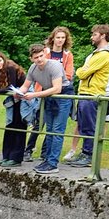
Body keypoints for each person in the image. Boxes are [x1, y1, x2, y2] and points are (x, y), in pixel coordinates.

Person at [67, 24, 109, 168]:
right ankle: (85, 153)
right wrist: (83, 70)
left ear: (103, 35)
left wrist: (82, 70)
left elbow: (81, 73)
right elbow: (84, 71)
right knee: (83, 125)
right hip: (85, 93)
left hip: (92, 94)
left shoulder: (104, 55)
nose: (91, 37)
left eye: (94, 34)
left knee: (89, 126)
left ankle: (88, 155)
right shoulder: (97, 54)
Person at [15, 42, 67, 173]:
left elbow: (57, 88)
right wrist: (18, 93)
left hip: (63, 96)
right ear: (31, 58)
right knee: (49, 130)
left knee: (57, 130)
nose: (39, 59)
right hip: (47, 95)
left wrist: (34, 95)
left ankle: (53, 163)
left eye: (41, 56)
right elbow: (25, 86)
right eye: (36, 57)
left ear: (45, 54)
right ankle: (47, 160)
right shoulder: (33, 68)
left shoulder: (54, 65)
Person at [25, 27, 73, 162]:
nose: (60, 40)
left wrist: (56, 76)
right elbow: (28, 82)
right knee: (40, 123)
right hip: (43, 92)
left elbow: (67, 75)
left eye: (63, 38)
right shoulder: (44, 52)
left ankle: (48, 158)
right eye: (58, 37)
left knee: (55, 129)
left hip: (58, 91)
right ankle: (30, 150)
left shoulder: (67, 55)